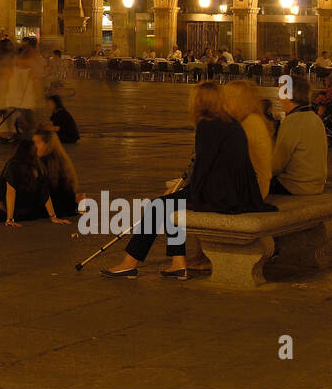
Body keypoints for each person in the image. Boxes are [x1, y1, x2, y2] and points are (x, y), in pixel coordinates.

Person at [103, 81, 274, 280]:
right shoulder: (230, 122)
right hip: (238, 192)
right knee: (170, 205)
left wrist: (185, 191)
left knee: (158, 205)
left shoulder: (207, 124)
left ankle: (130, 262)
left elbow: (202, 167)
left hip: (223, 197)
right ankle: (177, 263)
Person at [270, 75, 328, 195]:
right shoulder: (314, 118)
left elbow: (276, 166)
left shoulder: (292, 122)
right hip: (316, 183)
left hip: (295, 185)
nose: (278, 97)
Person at [222, 79, 274, 200]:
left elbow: (228, 159)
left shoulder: (250, 123)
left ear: (244, 101)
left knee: (174, 200)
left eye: (231, 96)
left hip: (250, 190)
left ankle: (168, 214)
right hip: (251, 186)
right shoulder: (252, 120)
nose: (225, 100)